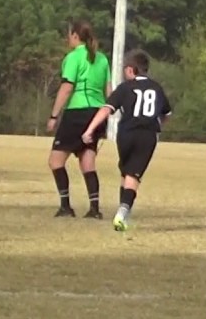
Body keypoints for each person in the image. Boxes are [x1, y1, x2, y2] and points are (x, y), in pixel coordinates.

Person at [80, 50, 171, 232]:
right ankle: (122, 214)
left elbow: (106, 109)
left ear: (131, 70)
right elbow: (167, 113)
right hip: (146, 135)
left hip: (125, 134)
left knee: (126, 172)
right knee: (133, 176)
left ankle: (123, 214)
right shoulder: (157, 88)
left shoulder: (125, 87)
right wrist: (158, 123)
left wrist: (90, 129)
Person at [47, 20, 112, 219]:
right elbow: (108, 90)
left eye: (69, 34)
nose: (68, 39)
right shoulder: (102, 59)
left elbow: (67, 88)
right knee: (88, 161)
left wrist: (54, 115)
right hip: (97, 113)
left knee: (55, 161)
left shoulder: (73, 57)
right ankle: (94, 209)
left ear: (75, 35)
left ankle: (65, 206)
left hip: (77, 111)